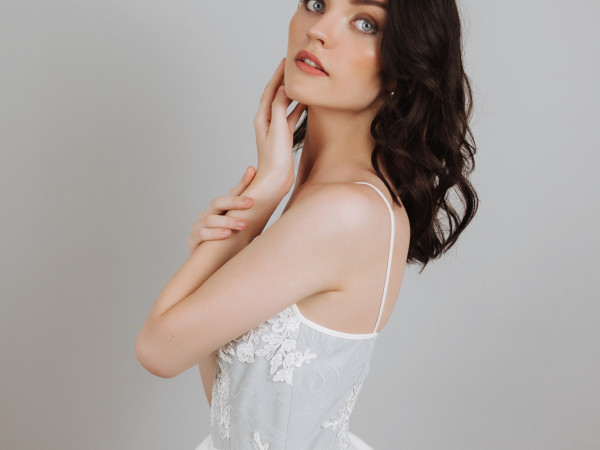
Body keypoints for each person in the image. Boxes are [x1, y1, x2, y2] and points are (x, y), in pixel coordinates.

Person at [135, 0, 479, 448]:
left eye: (365, 23)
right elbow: (231, 409)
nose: (319, 30)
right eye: (316, 4)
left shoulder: (345, 211)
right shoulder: (325, 193)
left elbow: (157, 350)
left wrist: (259, 201)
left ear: (403, 70)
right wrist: (234, 234)